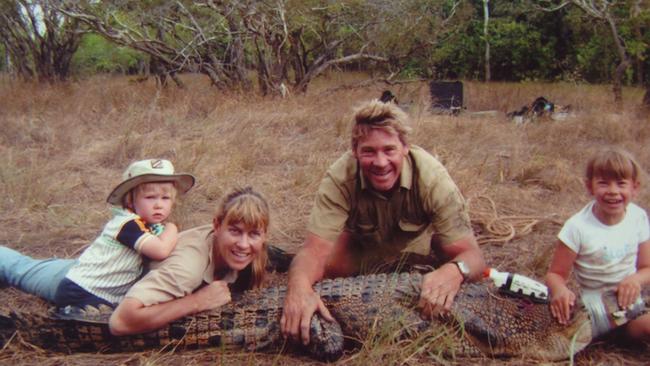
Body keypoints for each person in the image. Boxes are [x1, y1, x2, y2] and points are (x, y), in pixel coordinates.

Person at [280, 99, 486, 345]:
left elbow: (473, 255)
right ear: (355, 151)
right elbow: (314, 251)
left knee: (456, 259)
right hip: (363, 247)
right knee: (324, 270)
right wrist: (299, 289)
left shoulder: (434, 180)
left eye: (389, 149)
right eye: (369, 151)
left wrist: (456, 270)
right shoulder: (339, 177)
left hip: (417, 251)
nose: (380, 162)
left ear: (405, 147)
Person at [0, 158, 195, 308]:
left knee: (34, 267)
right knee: (19, 270)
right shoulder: (128, 224)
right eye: (150, 197)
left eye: (166, 198)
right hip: (84, 290)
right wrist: (173, 228)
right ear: (130, 201)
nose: (159, 204)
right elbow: (160, 251)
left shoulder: (151, 226)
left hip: (94, 281)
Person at [108, 186, 271, 335]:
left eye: (254, 234)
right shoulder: (187, 270)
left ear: (264, 235)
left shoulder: (256, 249)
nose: (244, 244)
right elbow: (120, 322)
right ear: (216, 225)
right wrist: (198, 301)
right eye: (235, 231)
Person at [545, 148, 650, 340]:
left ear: (634, 188)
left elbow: (646, 267)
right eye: (603, 183)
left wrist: (635, 280)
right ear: (590, 187)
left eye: (621, 184)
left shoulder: (638, 217)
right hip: (591, 313)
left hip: (629, 306)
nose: (613, 191)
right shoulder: (576, 227)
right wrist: (560, 290)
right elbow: (555, 274)